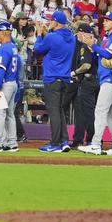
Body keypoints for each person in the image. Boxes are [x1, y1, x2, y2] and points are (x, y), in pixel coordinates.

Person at [79, 12, 112, 156]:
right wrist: (92, 48)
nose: (104, 23)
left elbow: (108, 55)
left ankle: (95, 144)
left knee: (100, 110)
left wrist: (93, 45)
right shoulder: (108, 37)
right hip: (108, 78)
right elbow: (101, 55)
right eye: (104, 20)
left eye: (107, 21)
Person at [32, 11, 75, 153]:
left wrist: (39, 35)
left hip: (52, 78)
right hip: (65, 78)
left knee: (54, 111)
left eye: (51, 21)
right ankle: (64, 141)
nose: (49, 22)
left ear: (56, 22)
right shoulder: (72, 37)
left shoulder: (51, 37)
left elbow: (37, 50)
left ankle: (55, 143)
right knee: (60, 110)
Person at [0, 22, 21, 152]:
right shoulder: (13, 47)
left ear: (3, 33)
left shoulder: (3, 49)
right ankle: (12, 142)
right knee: (9, 114)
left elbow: (1, 69)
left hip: (4, 83)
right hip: (12, 82)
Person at [67, 23, 99, 149]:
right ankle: (83, 139)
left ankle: (92, 140)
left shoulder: (86, 46)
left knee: (88, 112)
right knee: (87, 112)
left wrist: (73, 72)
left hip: (88, 81)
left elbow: (86, 65)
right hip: (93, 81)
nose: (78, 36)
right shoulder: (94, 44)